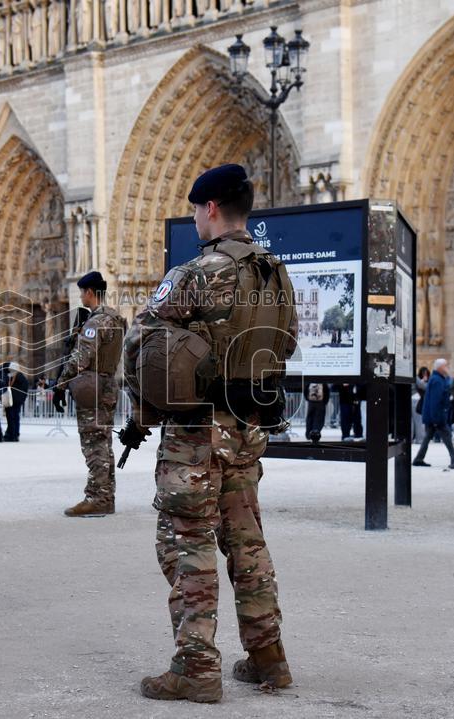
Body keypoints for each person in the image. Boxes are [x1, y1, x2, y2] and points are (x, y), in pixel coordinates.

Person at [123, 164, 297, 702]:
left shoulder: (196, 273)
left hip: (195, 434)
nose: (196, 218)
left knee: (186, 544)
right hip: (247, 432)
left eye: (198, 209)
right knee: (247, 543)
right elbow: (286, 344)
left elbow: (140, 346)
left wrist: (142, 412)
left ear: (212, 209)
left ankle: (195, 667)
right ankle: (269, 659)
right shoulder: (276, 273)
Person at [54, 270, 127, 517]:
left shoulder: (96, 322)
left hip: (92, 386)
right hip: (108, 384)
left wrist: (60, 384)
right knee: (103, 442)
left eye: (82, 293)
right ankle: (106, 496)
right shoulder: (117, 318)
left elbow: (80, 358)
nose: (81, 298)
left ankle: (96, 497)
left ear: (89, 292)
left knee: (94, 444)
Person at [413, 358, 454, 467]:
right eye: (446, 366)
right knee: (447, 436)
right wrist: (436, 418)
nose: (447, 368)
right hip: (436, 416)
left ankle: (418, 458)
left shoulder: (438, 378)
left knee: (428, 438)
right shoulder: (437, 380)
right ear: (440, 368)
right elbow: (435, 401)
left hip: (433, 415)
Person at [3, 361, 29, 442]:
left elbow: (24, 390)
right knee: (13, 418)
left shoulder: (18, 377)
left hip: (15, 401)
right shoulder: (13, 376)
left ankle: (13, 435)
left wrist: (20, 399)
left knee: (12, 417)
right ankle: (13, 434)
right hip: (13, 400)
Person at [413, 366, 429, 443]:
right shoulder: (413, 376)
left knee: (410, 421)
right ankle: (419, 439)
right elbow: (423, 386)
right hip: (415, 398)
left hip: (405, 398)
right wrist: (424, 381)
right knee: (418, 420)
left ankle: (410, 439)